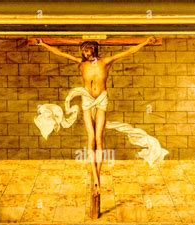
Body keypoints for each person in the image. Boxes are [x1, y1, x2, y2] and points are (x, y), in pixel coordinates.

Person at [37, 37, 156, 194]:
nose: (86, 54)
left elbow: (128, 51)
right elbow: (61, 53)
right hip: (87, 100)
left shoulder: (105, 62)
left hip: (101, 100)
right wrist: (44, 44)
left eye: (88, 50)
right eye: (84, 51)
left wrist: (146, 42)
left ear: (94, 49)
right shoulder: (82, 64)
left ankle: (97, 179)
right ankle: (95, 177)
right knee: (91, 138)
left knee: (99, 139)